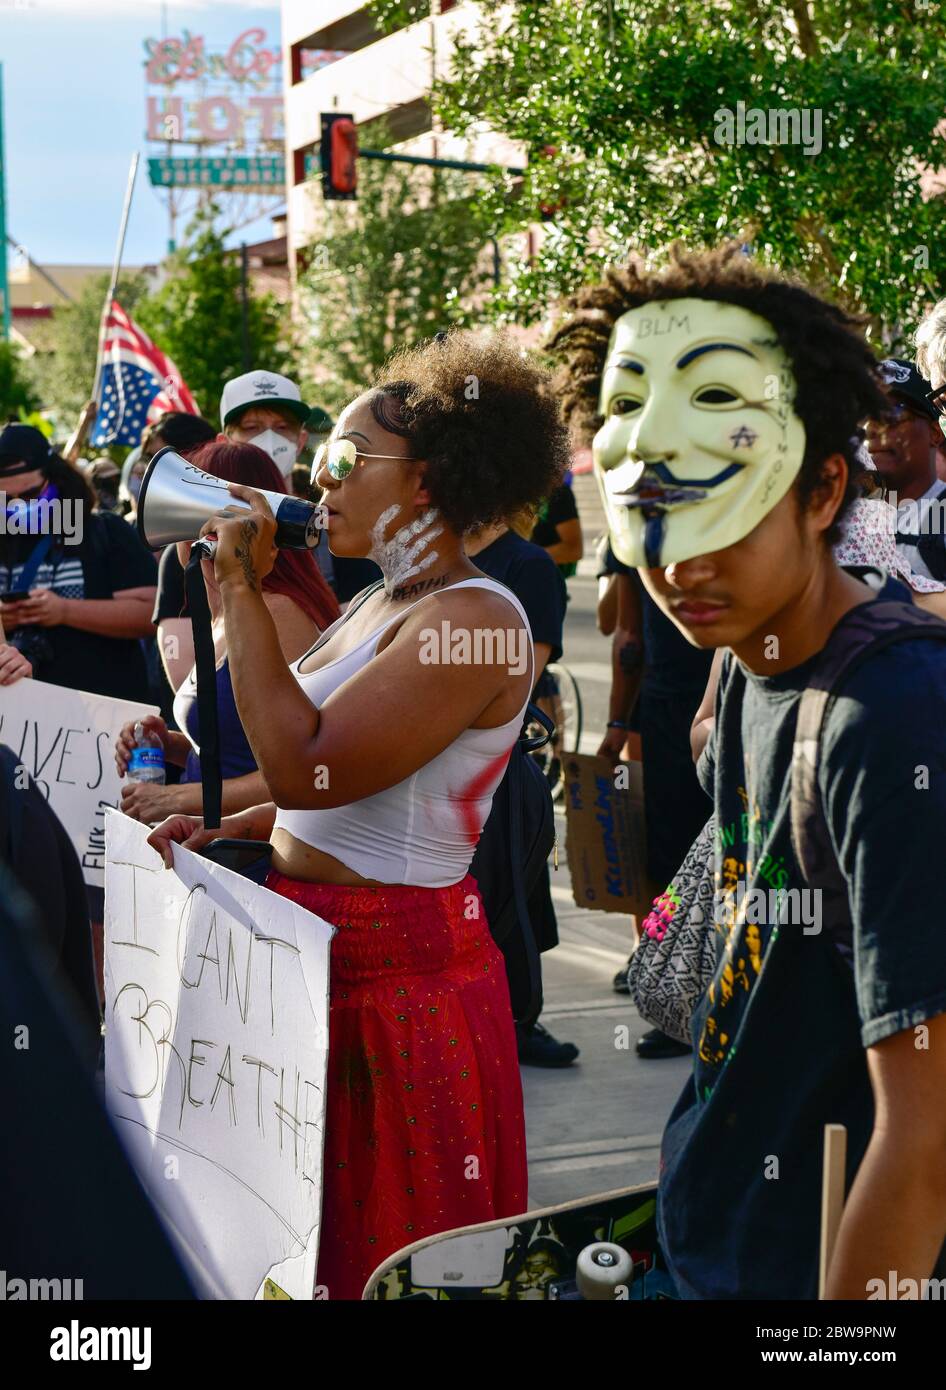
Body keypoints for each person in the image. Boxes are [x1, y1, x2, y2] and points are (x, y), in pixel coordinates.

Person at [551, 243, 946, 1300]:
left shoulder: (895, 717)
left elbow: (927, 1141)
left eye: (719, 504)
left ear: (822, 489)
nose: (681, 563)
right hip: (705, 1242)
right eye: (650, 513)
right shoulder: (745, 672)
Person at [147, 329, 570, 1299]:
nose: (319, 480)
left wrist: (244, 587)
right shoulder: (381, 601)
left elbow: (305, 767)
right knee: (302, 1241)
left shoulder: (472, 620)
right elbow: (329, 802)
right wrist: (225, 827)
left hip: (398, 970)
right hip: (321, 944)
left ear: (423, 483)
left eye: (344, 458)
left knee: (386, 1245)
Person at [115, 440, 339, 826]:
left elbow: (307, 774)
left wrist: (179, 797)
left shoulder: (279, 613)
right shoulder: (230, 611)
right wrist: (171, 746)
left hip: (254, 859)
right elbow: (242, 751)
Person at [465, 514, 579, 1067]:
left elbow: (519, 677)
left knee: (511, 891)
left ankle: (518, 1018)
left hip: (496, 769)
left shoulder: (526, 566)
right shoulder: (421, 559)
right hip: (429, 769)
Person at [596, 539, 711, 1059]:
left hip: (714, 702)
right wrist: (619, 723)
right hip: (667, 709)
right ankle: (660, 962)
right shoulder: (632, 535)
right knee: (666, 858)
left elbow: (627, 635)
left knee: (701, 858)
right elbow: (627, 635)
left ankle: (684, 977)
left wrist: (620, 723)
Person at [0, 423, 157, 705]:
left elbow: (150, 612)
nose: (18, 508)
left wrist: (63, 611)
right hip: (20, 723)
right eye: (5, 501)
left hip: (106, 718)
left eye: (30, 496)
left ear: (56, 478)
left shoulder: (103, 531)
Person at [864, 359, 946, 581]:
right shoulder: (848, 519)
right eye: (866, 414)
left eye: (891, 413)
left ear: (935, 432)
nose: (871, 429)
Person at [530, 479, 584, 578]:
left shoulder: (556, 491)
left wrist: (524, 558)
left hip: (543, 579)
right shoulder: (503, 490)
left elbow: (574, 549)